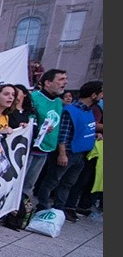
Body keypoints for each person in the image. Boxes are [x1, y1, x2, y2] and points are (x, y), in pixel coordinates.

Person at [35, 80, 103, 222]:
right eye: (101, 93)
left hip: (80, 154)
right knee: (53, 181)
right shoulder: (71, 110)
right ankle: (42, 208)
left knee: (68, 184)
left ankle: (59, 210)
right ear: (94, 94)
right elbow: (63, 134)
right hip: (68, 153)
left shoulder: (88, 110)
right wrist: (62, 153)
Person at [20, 69, 68, 202]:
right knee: (19, 182)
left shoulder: (59, 102)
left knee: (29, 184)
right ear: (47, 82)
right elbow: (27, 120)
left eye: (65, 79)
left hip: (45, 149)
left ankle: (22, 212)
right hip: (30, 147)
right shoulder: (34, 98)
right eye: (61, 79)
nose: (65, 82)